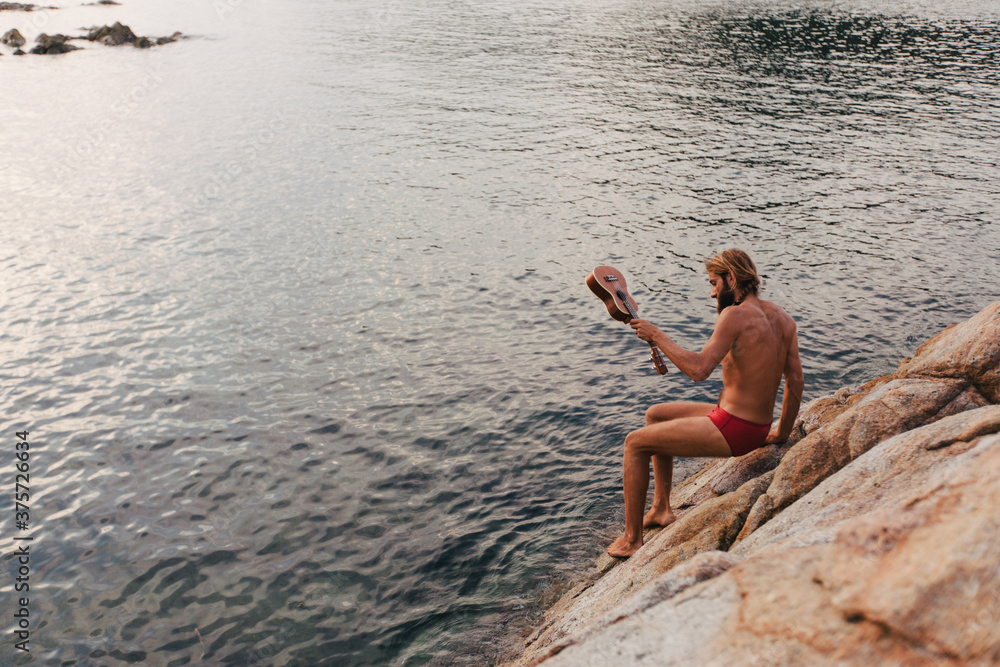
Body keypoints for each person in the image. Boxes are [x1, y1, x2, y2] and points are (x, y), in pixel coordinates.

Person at [606, 249, 803, 558]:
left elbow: (699, 369)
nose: (712, 293)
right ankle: (660, 508)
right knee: (655, 415)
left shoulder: (734, 315)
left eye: (714, 283)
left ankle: (632, 540)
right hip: (753, 423)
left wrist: (657, 334)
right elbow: (796, 382)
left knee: (634, 444)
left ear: (732, 279)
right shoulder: (784, 318)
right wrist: (780, 432)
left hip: (735, 429)